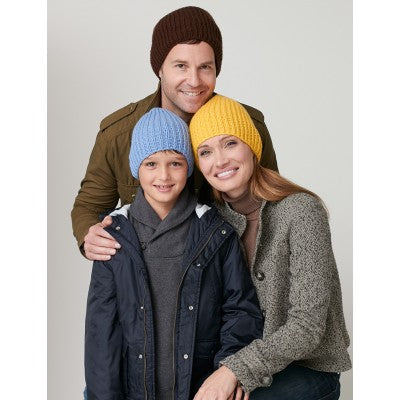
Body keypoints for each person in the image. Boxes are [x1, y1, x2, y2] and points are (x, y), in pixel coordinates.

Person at [71, 6, 278, 261]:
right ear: (159, 69)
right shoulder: (119, 134)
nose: (194, 80)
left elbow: (272, 203)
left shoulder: (248, 126)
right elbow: (89, 206)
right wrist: (89, 235)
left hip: (232, 272)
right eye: (181, 66)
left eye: (205, 67)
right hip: (152, 275)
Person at [84, 107, 264, 400]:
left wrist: (227, 372)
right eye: (151, 164)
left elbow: (240, 311)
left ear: (189, 167)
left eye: (175, 163)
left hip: (201, 388)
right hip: (135, 390)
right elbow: (101, 331)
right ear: (136, 169)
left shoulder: (216, 232)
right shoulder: (114, 235)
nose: (164, 175)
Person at [188, 95, 352, 400]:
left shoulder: (301, 211)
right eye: (206, 151)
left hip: (308, 369)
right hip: (241, 361)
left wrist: (234, 371)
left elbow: (307, 326)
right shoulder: (209, 219)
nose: (220, 161)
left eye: (230, 143)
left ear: (252, 146)